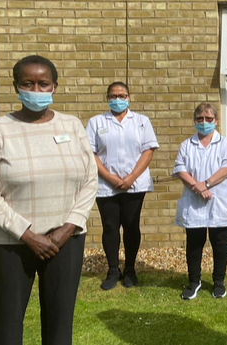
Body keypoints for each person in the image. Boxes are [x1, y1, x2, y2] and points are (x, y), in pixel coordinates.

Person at [0, 55, 98, 345]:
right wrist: (27, 234)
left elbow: (90, 180)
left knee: (59, 325)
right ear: (16, 86)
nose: (36, 90)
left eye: (43, 83)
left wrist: (70, 226)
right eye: (28, 83)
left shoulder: (73, 125)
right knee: (5, 325)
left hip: (65, 240)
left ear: (55, 86)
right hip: (11, 243)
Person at [86, 82, 159, 290]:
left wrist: (130, 178)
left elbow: (148, 151)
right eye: (113, 96)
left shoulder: (142, 122)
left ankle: (130, 270)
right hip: (106, 185)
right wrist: (110, 177)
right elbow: (90, 153)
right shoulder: (96, 122)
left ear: (129, 97)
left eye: (122, 95)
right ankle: (112, 270)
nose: (117, 99)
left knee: (131, 226)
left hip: (134, 185)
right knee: (110, 227)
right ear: (107, 98)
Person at [173, 103, 227, 300]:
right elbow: (180, 169)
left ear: (216, 121)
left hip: (218, 202)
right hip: (194, 202)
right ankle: (194, 282)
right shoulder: (186, 145)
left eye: (208, 119)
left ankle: (219, 282)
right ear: (195, 121)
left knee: (220, 243)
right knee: (194, 244)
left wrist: (206, 184)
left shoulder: (225, 144)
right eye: (200, 119)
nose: (204, 123)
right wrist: (197, 187)